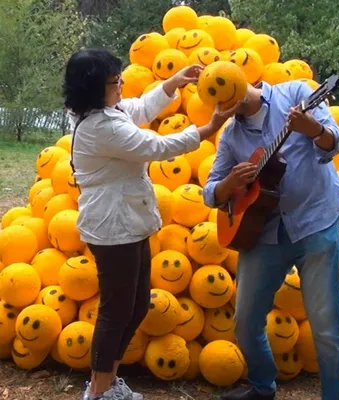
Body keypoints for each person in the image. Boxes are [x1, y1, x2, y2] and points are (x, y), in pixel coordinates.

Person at [63, 48, 236, 400]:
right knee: (115, 311)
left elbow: (139, 109)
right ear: (94, 88)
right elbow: (155, 146)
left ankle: (108, 381)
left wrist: (172, 83)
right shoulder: (100, 126)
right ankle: (97, 393)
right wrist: (208, 129)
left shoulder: (106, 111)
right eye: (115, 81)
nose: (122, 84)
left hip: (129, 220)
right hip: (113, 226)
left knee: (137, 305)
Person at [203, 80, 339, 400]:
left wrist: (312, 128)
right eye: (216, 100)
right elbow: (210, 192)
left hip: (314, 221)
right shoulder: (231, 135)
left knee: (326, 326)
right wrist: (231, 182)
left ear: (241, 77)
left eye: (224, 90)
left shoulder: (297, 94)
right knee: (244, 321)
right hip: (262, 232)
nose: (222, 103)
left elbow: (335, 143)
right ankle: (262, 386)